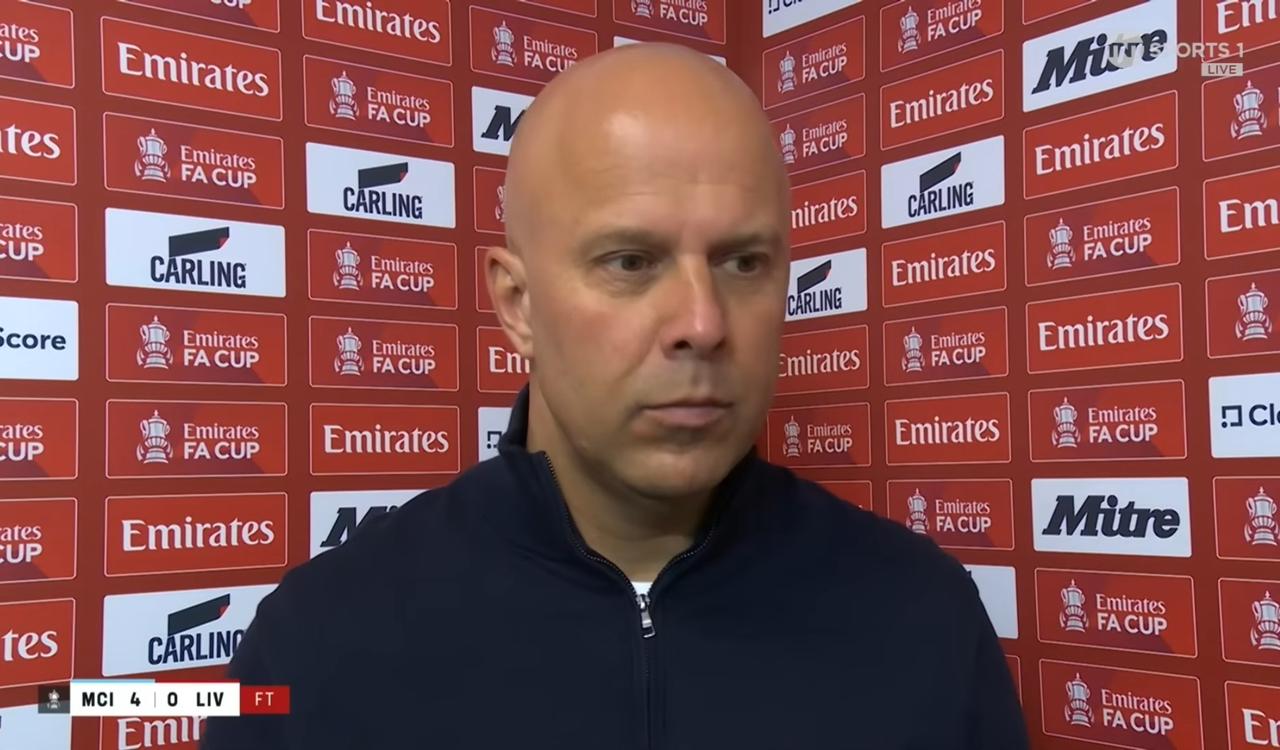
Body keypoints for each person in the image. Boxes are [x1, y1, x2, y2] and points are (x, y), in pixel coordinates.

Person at [203, 43, 1028, 749]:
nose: (702, 323)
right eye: (631, 262)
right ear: (518, 305)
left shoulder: (925, 620)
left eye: (744, 263)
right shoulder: (317, 644)